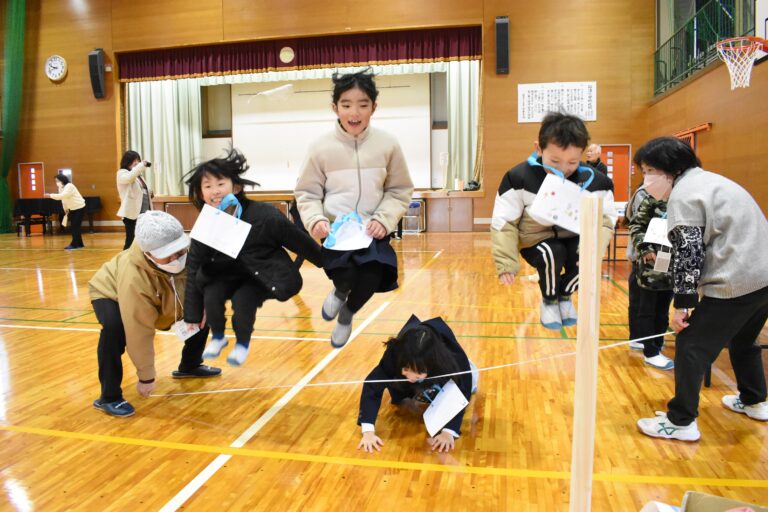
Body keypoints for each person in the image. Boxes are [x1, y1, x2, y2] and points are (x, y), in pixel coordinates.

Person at [636, 137, 768, 441]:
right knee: (744, 340)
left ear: (669, 169)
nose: (646, 178)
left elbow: (689, 252)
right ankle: (755, 400)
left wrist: (683, 304)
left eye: (649, 170)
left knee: (691, 345)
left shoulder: (685, 195)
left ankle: (680, 421)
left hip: (736, 280)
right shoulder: (713, 181)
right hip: (763, 278)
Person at [295, 69, 414, 348]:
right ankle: (339, 291)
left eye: (363, 104)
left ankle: (347, 314)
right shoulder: (320, 147)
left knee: (372, 278)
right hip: (337, 232)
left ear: (374, 106)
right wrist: (316, 221)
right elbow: (307, 192)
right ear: (334, 107)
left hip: (373, 230)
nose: (354, 112)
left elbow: (399, 190)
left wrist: (384, 220)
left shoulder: (388, 144)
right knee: (346, 277)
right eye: (346, 104)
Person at [183, 149, 324, 366]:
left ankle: (241, 345)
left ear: (236, 187)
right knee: (207, 299)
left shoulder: (265, 216)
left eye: (220, 184)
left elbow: (302, 244)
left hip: (265, 277)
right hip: (228, 278)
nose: (215, 191)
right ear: (201, 193)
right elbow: (193, 269)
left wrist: (338, 268)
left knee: (243, 300)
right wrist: (191, 315)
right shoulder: (205, 226)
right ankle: (193, 361)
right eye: (208, 186)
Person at [88, 211, 221, 417]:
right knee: (115, 330)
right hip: (112, 293)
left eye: (180, 251)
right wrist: (146, 376)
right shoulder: (134, 278)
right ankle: (109, 396)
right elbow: (139, 329)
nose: (177, 258)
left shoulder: (192, 252)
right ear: (148, 253)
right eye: (169, 253)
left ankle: (190, 365)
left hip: (164, 293)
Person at [491, 112, 616, 330]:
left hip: (575, 236)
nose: (563, 169)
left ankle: (565, 295)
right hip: (535, 240)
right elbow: (504, 222)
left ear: (582, 155)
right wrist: (506, 263)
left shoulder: (597, 182)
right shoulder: (518, 177)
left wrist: (594, 250)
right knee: (552, 252)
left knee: (586, 260)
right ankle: (549, 300)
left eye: (572, 162)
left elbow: (605, 222)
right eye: (555, 161)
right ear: (539, 149)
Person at [357, 315, 478, 453]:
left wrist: (448, 431)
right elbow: (373, 385)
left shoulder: (451, 358)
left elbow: (462, 389)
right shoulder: (395, 353)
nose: (410, 376)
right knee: (403, 388)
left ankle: (466, 369)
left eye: (417, 373)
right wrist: (368, 432)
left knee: (467, 386)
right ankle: (414, 380)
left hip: (442, 365)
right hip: (412, 364)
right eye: (406, 369)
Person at [628, 193, 674, 370]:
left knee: (663, 309)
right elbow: (636, 224)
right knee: (647, 307)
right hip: (653, 261)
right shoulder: (652, 198)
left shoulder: (686, 198)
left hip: (673, 261)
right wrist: (645, 248)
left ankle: (657, 344)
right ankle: (650, 351)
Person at [625, 183, 650, 351]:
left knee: (658, 303)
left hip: (664, 258)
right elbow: (635, 223)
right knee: (640, 301)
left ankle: (654, 339)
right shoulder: (643, 193)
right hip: (642, 258)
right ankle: (638, 338)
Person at [117, 150, 153, 250]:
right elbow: (129, 178)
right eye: (134, 160)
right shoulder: (121, 173)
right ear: (127, 161)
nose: (136, 162)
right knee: (131, 240)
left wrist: (149, 192)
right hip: (132, 214)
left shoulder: (138, 176)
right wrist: (141, 165)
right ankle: (125, 261)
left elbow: (141, 190)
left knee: (143, 240)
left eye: (138, 160)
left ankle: (140, 260)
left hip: (144, 213)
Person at [49, 174, 86, 250]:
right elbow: (63, 200)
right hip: (72, 208)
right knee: (75, 227)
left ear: (62, 180)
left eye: (58, 181)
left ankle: (74, 244)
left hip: (79, 207)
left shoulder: (69, 186)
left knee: (74, 227)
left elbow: (63, 196)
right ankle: (80, 244)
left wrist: (50, 195)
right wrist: (65, 209)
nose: (57, 182)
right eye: (56, 181)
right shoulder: (61, 188)